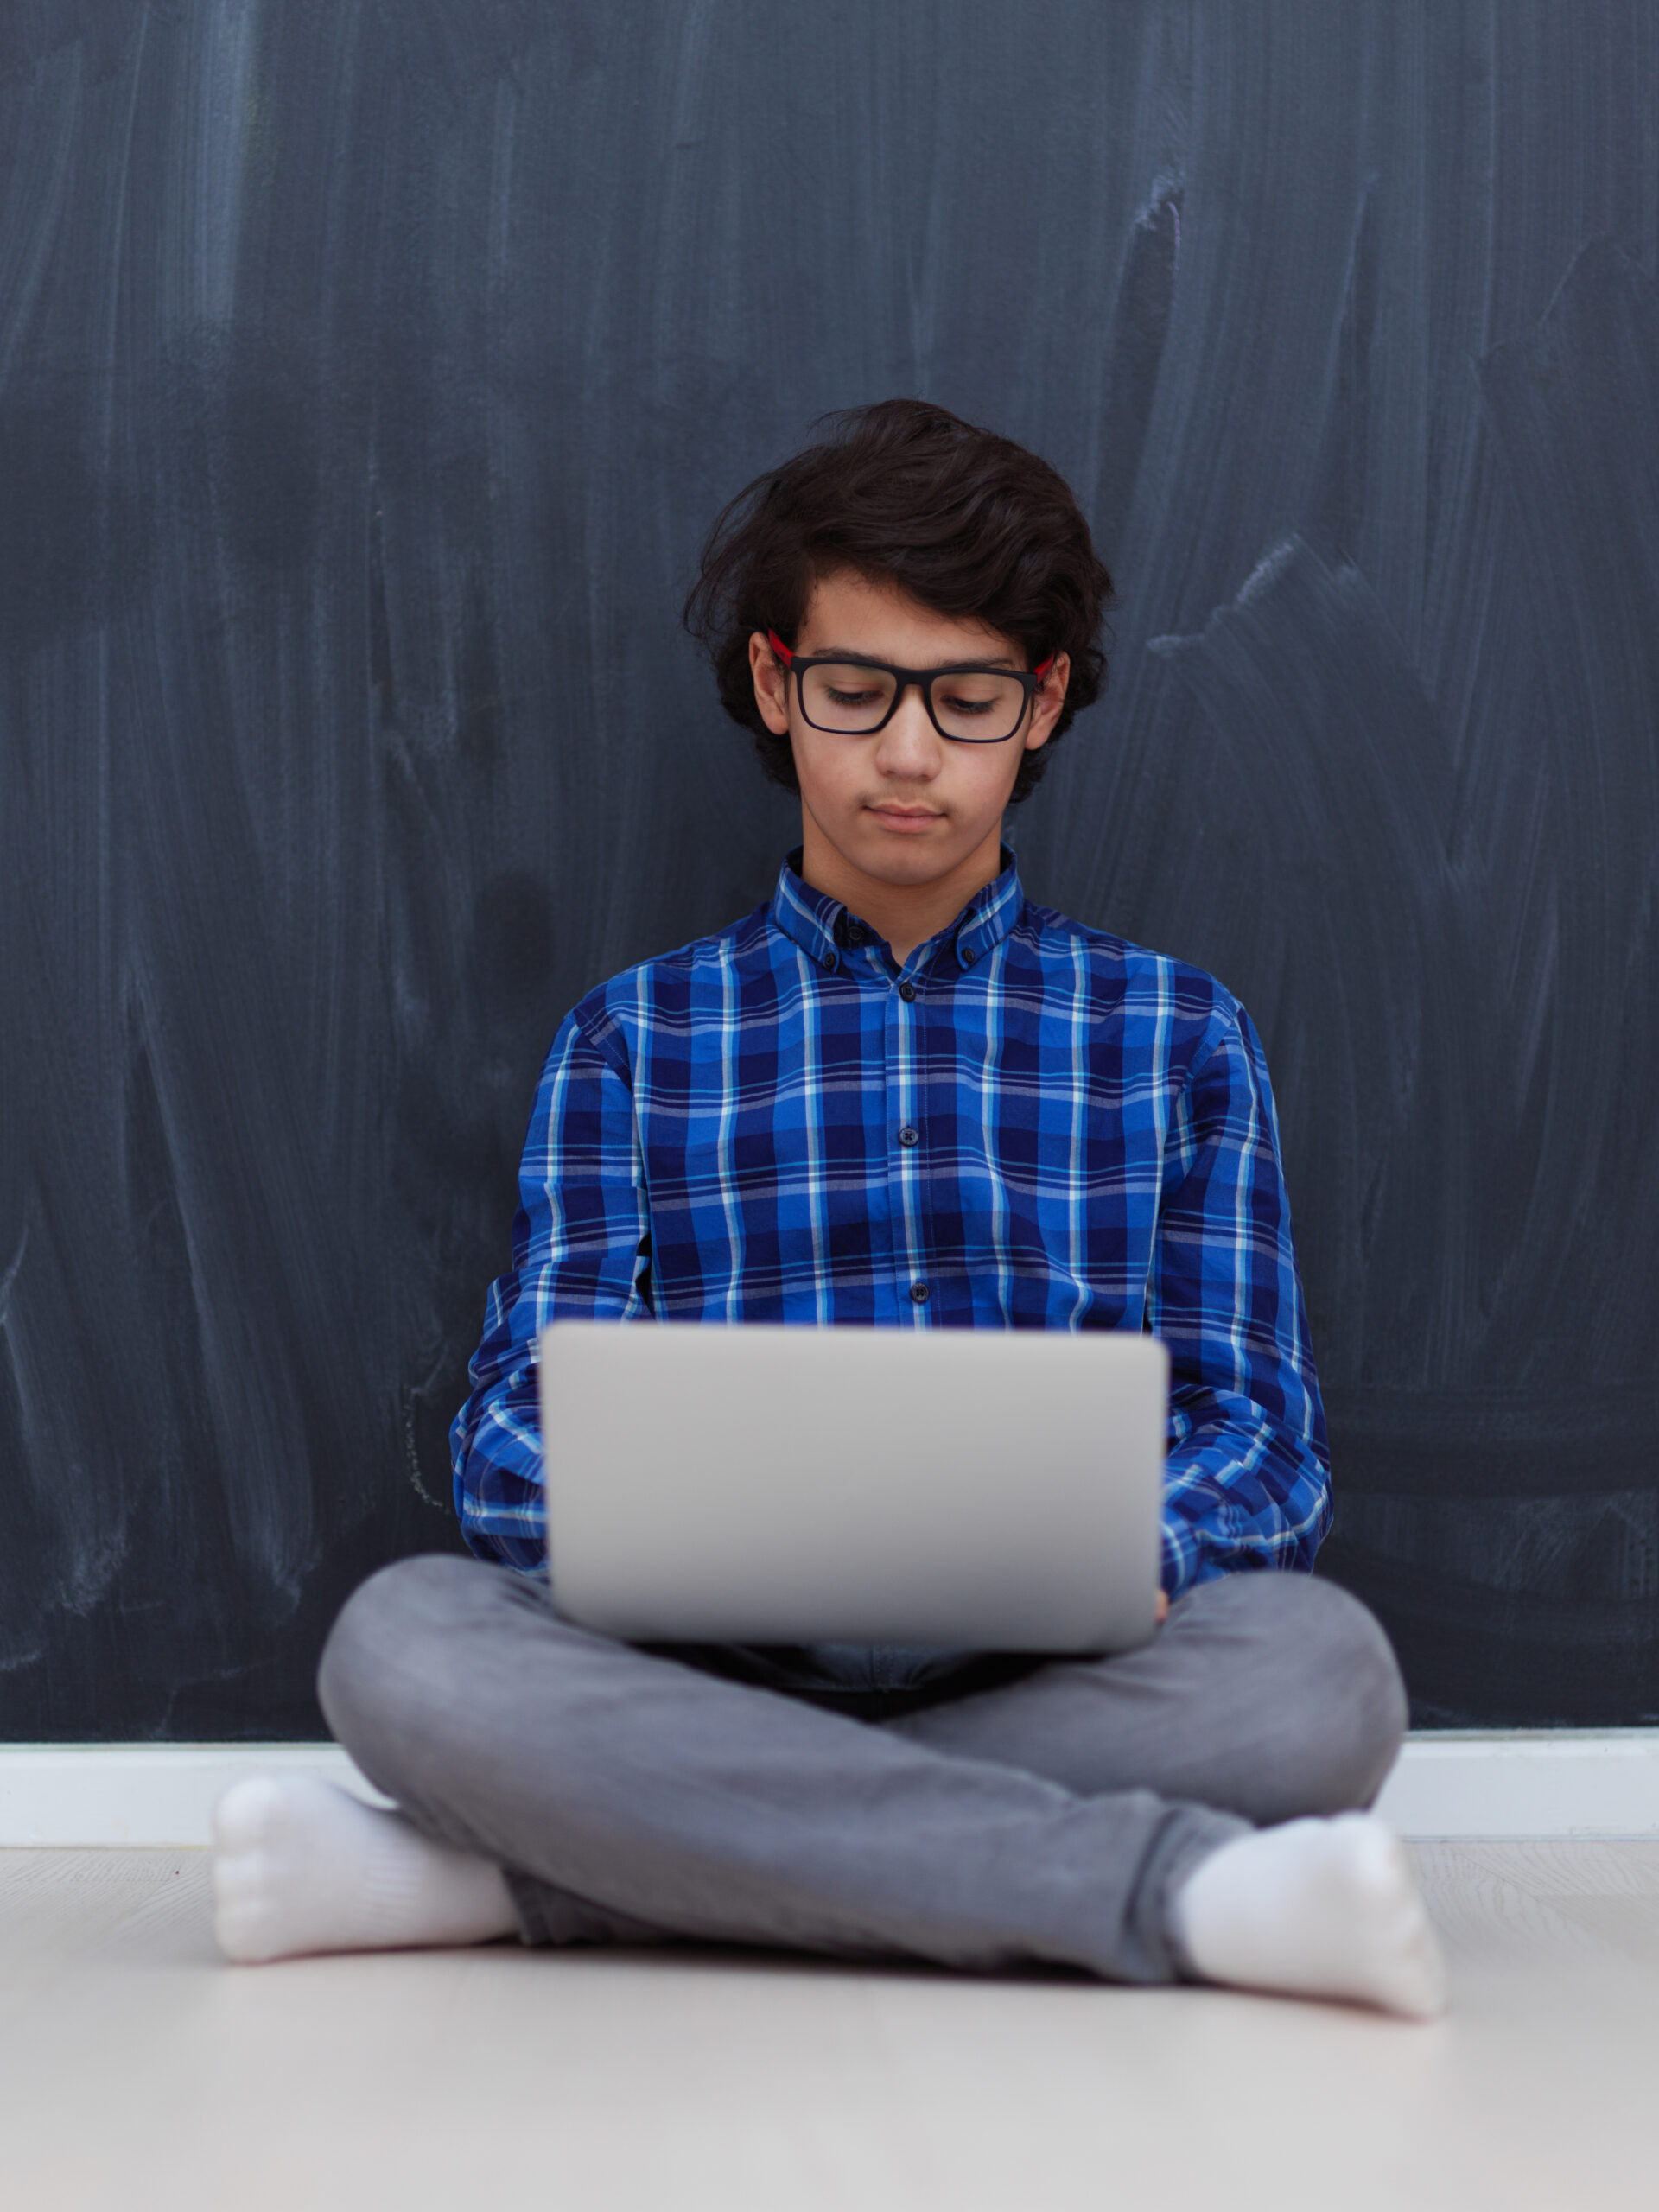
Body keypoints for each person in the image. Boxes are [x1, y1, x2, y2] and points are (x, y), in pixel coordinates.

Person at [213, 400, 1445, 2017]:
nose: (913, 752)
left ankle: (535, 1874)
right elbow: (513, 1435)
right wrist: (665, 1538)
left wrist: (1140, 1551)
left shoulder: (1178, 1035)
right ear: (779, 686)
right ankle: (1169, 1893)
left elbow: (1263, 1442)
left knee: (1325, 1683)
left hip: (1062, 1678)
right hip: (693, 1669)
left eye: (971, 697)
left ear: (1046, 701)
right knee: (403, 1646)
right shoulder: (635, 1039)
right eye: (859, 692)